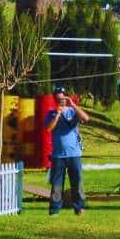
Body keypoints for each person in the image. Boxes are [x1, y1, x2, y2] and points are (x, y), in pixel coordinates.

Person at [44, 86, 90, 215]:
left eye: (63, 98)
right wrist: (58, 113)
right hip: (58, 155)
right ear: (54, 100)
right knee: (57, 184)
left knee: (77, 182)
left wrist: (73, 105)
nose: (61, 101)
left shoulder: (72, 111)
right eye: (58, 99)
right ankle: (55, 209)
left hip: (74, 154)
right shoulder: (51, 114)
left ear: (66, 97)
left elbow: (86, 119)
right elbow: (49, 128)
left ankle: (79, 207)